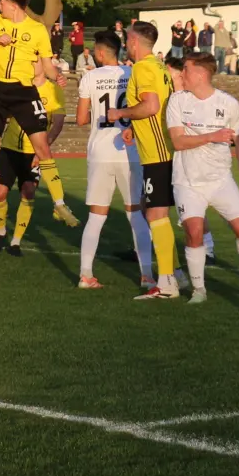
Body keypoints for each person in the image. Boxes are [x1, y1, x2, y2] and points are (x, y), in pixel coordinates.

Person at [0, 0, 75, 240]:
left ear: (14, 5)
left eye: (1, 2)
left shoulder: (37, 30)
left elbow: (47, 66)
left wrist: (58, 76)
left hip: (23, 93)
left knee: (43, 149)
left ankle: (60, 203)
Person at [167, 52, 239, 304]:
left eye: (184, 69)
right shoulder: (177, 101)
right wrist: (211, 136)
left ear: (199, 73)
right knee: (195, 232)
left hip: (220, 179)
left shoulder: (228, 103)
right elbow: (177, 141)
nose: (180, 74)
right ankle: (199, 290)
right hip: (187, 180)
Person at [106, 21, 183, 300]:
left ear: (135, 42)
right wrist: (132, 127)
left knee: (155, 215)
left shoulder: (142, 67)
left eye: (127, 39)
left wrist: (120, 114)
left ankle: (166, 284)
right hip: (164, 148)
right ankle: (175, 274)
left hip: (157, 152)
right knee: (156, 213)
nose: (126, 43)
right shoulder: (160, 67)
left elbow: (150, 106)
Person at [76, 33, 152, 290]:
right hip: (130, 152)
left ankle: (86, 275)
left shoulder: (90, 77)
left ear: (99, 53)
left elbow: (81, 119)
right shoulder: (132, 74)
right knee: (136, 216)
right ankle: (147, 276)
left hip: (100, 152)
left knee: (96, 216)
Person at [0, 59, 66, 256]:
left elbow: (57, 123)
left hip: (35, 152)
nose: (31, 64)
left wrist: (43, 151)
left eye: (35, 61)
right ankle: (0, 232)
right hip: (9, 147)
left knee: (28, 191)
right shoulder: (18, 86)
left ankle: (16, 241)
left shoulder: (54, 90)